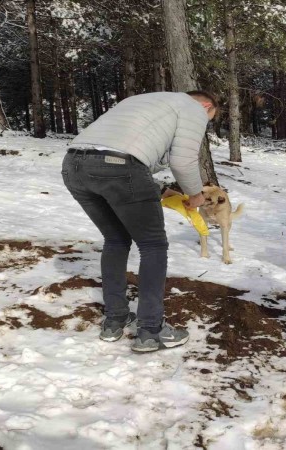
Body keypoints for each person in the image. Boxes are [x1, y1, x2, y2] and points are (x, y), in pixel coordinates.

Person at [61, 90, 217, 353]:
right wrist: (195, 195)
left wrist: (158, 190)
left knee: (116, 240)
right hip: (119, 166)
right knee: (153, 245)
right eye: (210, 117)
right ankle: (150, 330)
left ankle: (115, 319)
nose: (206, 121)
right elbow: (181, 160)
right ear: (206, 105)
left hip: (74, 166)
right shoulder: (193, 108)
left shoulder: (142, 101)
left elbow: (132, 155)